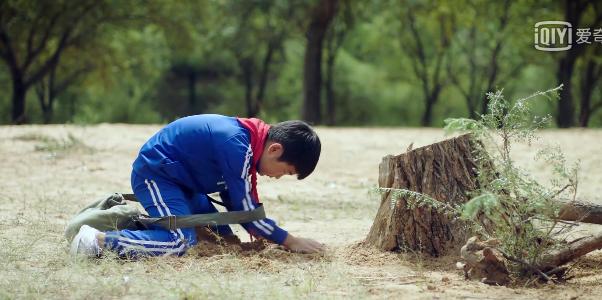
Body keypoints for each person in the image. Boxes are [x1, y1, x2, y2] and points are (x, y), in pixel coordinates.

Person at [70, 114, 325, 258]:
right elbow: (248, 215)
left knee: (211, 222)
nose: (279, 177)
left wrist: (228, 238)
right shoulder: (238, 145)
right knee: (180, 242)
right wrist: (290, 240)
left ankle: (150, 225)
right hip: (157, 175)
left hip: (183, 184)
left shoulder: (248, 140)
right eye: (286, 171)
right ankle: (96, 241)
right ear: (275, 149)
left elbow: (233, 198)